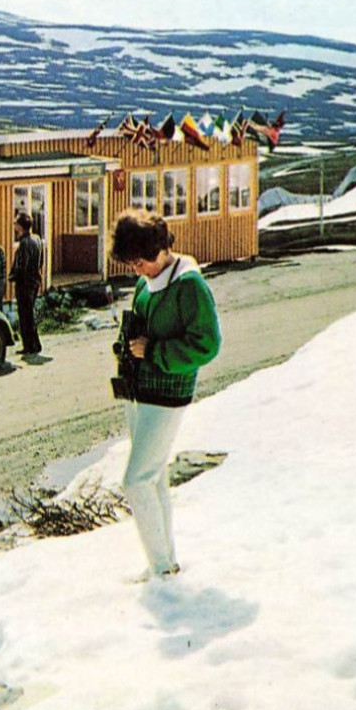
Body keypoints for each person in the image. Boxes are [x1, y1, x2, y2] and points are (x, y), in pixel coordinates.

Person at [109, 209, 221, 581]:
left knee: (136, 479)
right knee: (153, 478)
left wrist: (154, 352)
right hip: (141, 389)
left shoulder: (188, 285)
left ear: (158, 251)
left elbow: (207, 344)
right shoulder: (148, 283)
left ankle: (162, 568)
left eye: (140, 263)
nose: (137, 271)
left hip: (168, 390)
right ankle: (164, 562)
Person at [9, 212, 43, 356]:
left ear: (20, 226)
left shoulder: (24, 243)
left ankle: (29, 346)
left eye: (16, 223)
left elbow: (22, 265)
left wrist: (13, 276)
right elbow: (40, 261)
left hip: (25, 283)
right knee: (29, 313)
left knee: (25, 315)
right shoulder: (36, 239)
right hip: (35, 280)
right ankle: (35, 344)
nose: (14, 225)